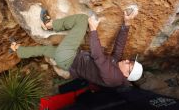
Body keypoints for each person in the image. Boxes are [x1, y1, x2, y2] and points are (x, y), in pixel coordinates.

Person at [10, 8, 143, 87]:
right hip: (68, 62)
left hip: (68, 57)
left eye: (129, 64)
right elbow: (119, 47)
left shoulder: (112, 77)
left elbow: (98, 57)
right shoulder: (117, 68)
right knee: (45, 50)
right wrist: (127, 24)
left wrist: (93, 29)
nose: (127, 60)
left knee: (82, 19)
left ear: (127, 74)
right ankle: (18, 50)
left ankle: (49, 25)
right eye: (130, 60)